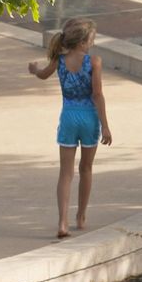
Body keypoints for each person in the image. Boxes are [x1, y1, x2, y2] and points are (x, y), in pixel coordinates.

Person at [28, 18, 113, 239]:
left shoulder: (60, 60)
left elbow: (43, 74)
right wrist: (105, 126)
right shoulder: (94, 62)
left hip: (68, 118)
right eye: (92, 39)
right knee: (86, 168)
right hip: (89, 118)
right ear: (83, 42)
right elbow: (97, 95)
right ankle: (81, 216)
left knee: (65, 173)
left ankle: (63, 222)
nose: (93, 43)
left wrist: (35, 69)